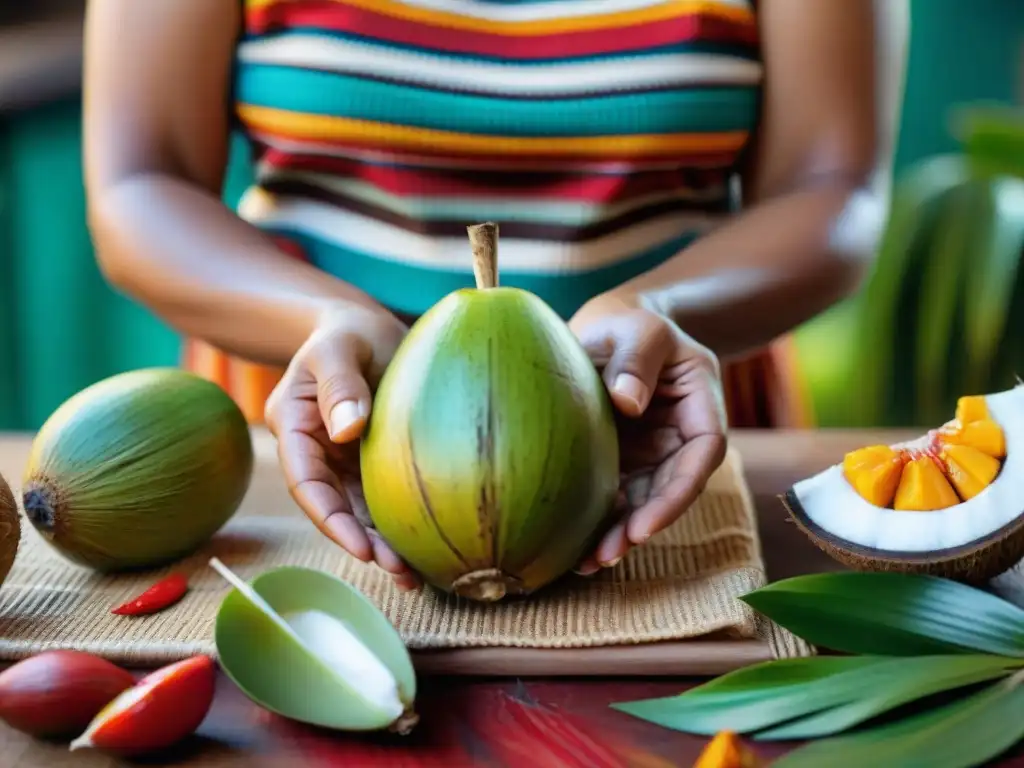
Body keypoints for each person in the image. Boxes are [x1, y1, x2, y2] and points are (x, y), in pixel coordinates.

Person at [82, 0, 880, 591]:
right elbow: (138, 182)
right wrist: (326, 319)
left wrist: (665, 309)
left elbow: (831, 186)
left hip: (658, 424)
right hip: (312, 427)